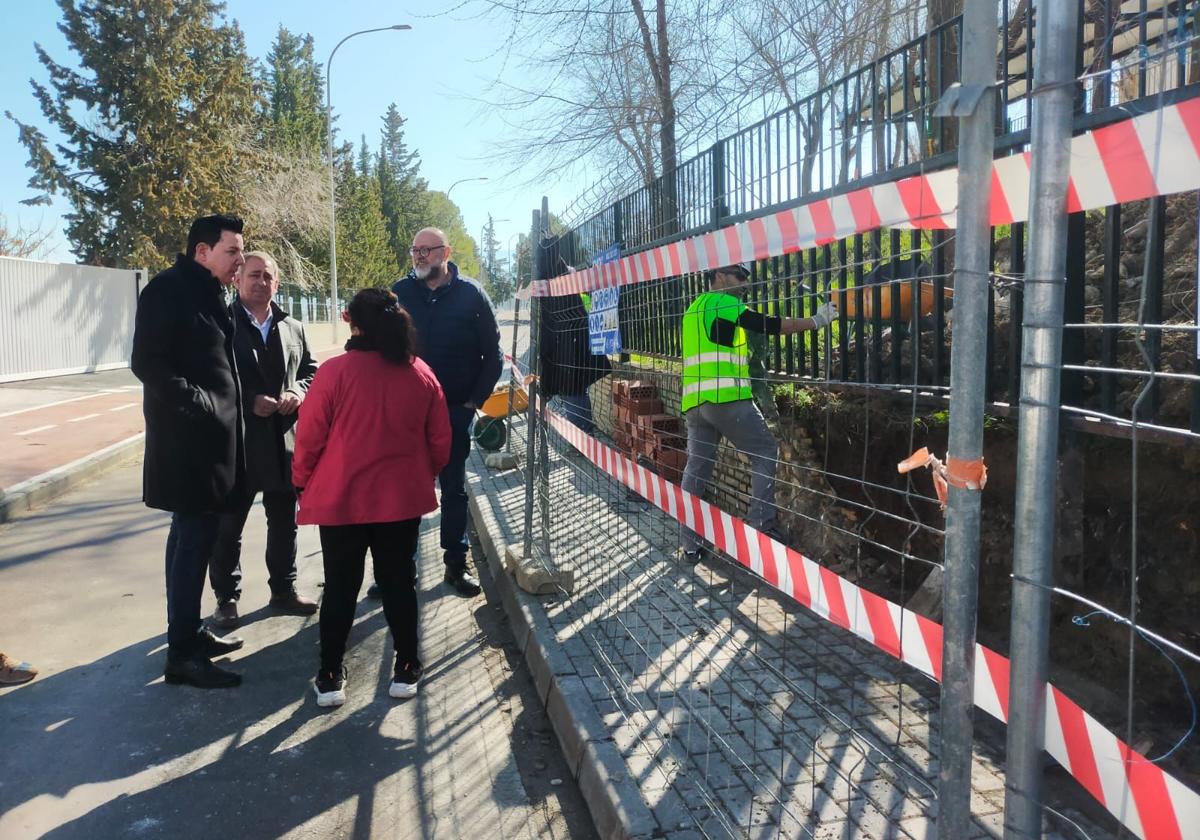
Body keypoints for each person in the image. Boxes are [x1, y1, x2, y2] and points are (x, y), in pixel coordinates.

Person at [293, 288, 451, 708]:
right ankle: (407, 665)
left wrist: (301, 480)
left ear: (350, 320)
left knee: (341, 586)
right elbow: (440, 440)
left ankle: (329, 674)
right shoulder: (420, 373)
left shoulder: (333, 373)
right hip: (400, 500)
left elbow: (308, 437)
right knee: (399, 581)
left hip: (342, 499)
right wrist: (425, 473)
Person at [131, 214, 247, 689]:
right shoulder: (169, 289)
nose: (240, 259)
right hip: (188, 445)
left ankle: (188, 631)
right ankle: (181, 655)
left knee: (189, 536)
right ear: (202, 251)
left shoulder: (208, 290)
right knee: (194, 538)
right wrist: (198, 403)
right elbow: (147, 362)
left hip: (211, 444)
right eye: (232, 251)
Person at [679, 262, 837, 562]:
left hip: (695, 404)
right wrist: (816, 321)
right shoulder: (724, 302)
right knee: (765, 450)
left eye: (746, 278)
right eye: (739, 276)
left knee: (697, 469)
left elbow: (716, 341)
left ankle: (689, 543)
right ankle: (761, 528)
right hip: (726, 398)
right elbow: (771, 325)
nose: (744, 283)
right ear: (719, 275)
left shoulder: (694, 308)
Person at [209, 252, 319, 629]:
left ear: (277, 281)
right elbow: (210, 376)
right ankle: (226, 599)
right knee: (228, 527)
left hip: (283, 442)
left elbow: (310, 370)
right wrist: (247, 400)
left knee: (284, 522)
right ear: (238, 279)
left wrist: (299, 392)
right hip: (236, 445)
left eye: (267, 276)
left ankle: (284, 590)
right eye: (253, 275)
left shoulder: (293, 327)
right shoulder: (221, 322)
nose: (260, 282)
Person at [390, 227, 502, 597]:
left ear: (446, 252)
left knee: (454, 489)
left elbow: (493, 355)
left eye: (427, 250)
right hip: (409, 414)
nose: (419, 257)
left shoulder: (471, 295)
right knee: (404, 489)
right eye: (415, 250)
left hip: (455, 410)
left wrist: (474, 402)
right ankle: (399, 569)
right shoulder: (400, 293)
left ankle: (456, 563)